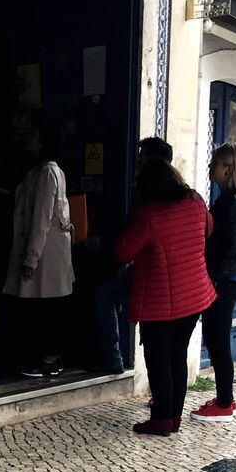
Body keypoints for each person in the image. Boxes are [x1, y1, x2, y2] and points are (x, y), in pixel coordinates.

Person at [114, 157, 216, 435]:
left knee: (159, 360)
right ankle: (173, 417)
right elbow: (208, 229)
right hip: (194, 296)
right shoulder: (196, 203)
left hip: (160, 301)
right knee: (177, 357)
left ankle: (160, 419)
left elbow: (124, 250)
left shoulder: (148, 215)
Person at [94, 137, 175, 376]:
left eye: (142, 155)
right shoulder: (177, 194)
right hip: (149, 267)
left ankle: (115, 357)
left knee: (106, 297)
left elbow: (142, 234)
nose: (137, 159)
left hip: (148, 270)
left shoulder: (150, 194)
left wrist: (127, 259)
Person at [3, 123, 75, 379]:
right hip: (46, 251)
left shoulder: (47, 173)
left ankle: (50, 359)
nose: (28, 137)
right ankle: (46, 357)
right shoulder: (41, 171)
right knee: (43, 305)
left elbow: (41, 218)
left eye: (34, 134)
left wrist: (31, 258)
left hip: (46, 254)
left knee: (46, 307)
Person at [190, 140, 236, 424]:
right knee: (216, 339)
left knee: (219, 341)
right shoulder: (231, 199)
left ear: (228, 169)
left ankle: (225, 404)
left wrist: (212, 280)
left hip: (225, 282)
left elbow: (231, 249)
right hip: (225, 280)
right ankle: (225, 398)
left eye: (215, 162)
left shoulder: (234, 203)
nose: (210, 166)